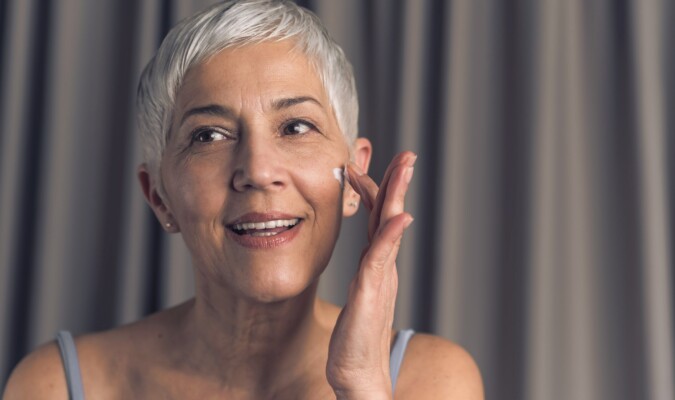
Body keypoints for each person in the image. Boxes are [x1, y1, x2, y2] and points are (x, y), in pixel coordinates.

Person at [3, 1, 483, 398]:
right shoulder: (55, 385)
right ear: (160, 197)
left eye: (296, 127)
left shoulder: (433, 380)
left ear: (353, 179)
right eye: (209, 135)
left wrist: (361, 386)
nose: (257, 171)